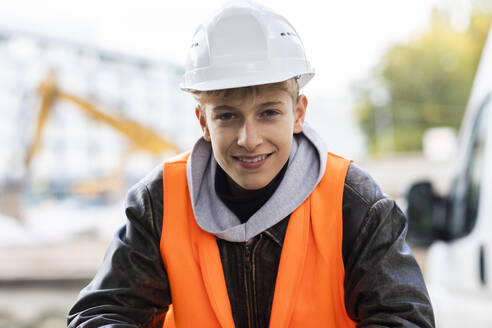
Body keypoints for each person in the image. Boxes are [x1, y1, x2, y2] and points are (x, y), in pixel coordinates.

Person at [67, 1, 435, 327]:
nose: (249, 138)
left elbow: (404, 318)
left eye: (269, 113)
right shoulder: (159, 203)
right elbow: (101, 314)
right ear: (202, 122)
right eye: (227, 116)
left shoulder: (355, 203)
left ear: (298, 114)